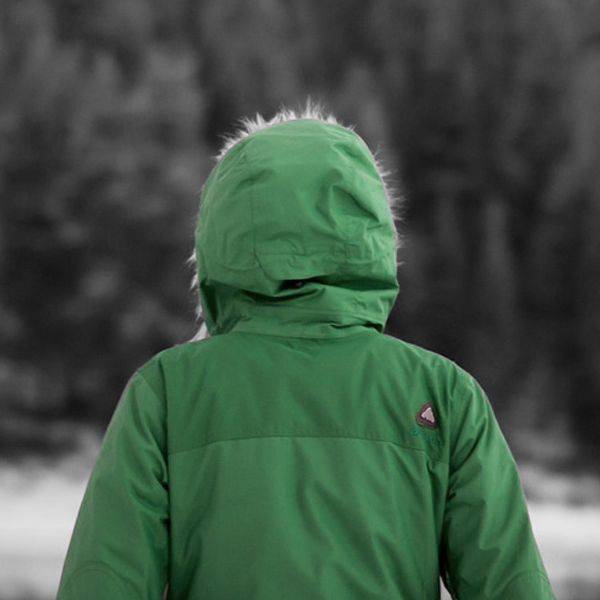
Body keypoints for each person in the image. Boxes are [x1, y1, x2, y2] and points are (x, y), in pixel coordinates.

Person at [56, 103, 556, 599]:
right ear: (372, 233)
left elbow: (103, 581)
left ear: (220, 236)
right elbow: (511, 586)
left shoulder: (167, 391)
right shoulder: (443, 393)